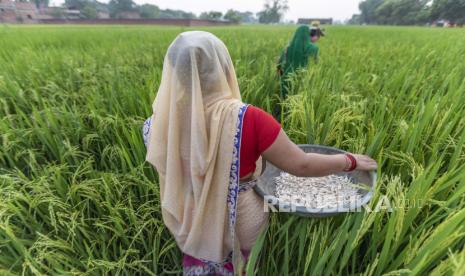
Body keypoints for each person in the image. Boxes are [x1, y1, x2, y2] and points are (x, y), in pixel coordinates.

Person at [143, 31, 376, 275]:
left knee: (202, 262)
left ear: (174, 70)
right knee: (245, 266)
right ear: (223, 66)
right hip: (241, 219)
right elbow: (302, 165)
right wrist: (347, 160)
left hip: (192, 217)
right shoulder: (249, 119)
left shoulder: (157, 125)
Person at [277, 25, 323, 99]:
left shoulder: (287, 47)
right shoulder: (313, 48)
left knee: (284, 100)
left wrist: (280, 76)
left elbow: (279, 64)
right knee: (298, 100)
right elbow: (315, 65)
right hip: (301, 80)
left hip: (286, 80)